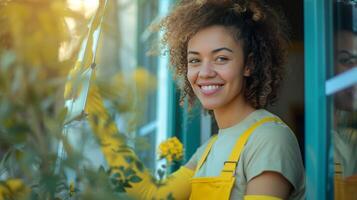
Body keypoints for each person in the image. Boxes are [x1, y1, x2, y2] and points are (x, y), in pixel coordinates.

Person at [87, 0, 305, 199]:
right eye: (195, 60)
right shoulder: (209, 148)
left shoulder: (269, 138)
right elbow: (152, 194)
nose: (205, 72)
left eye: (221, 58)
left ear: (248, 65)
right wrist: (95, 112)